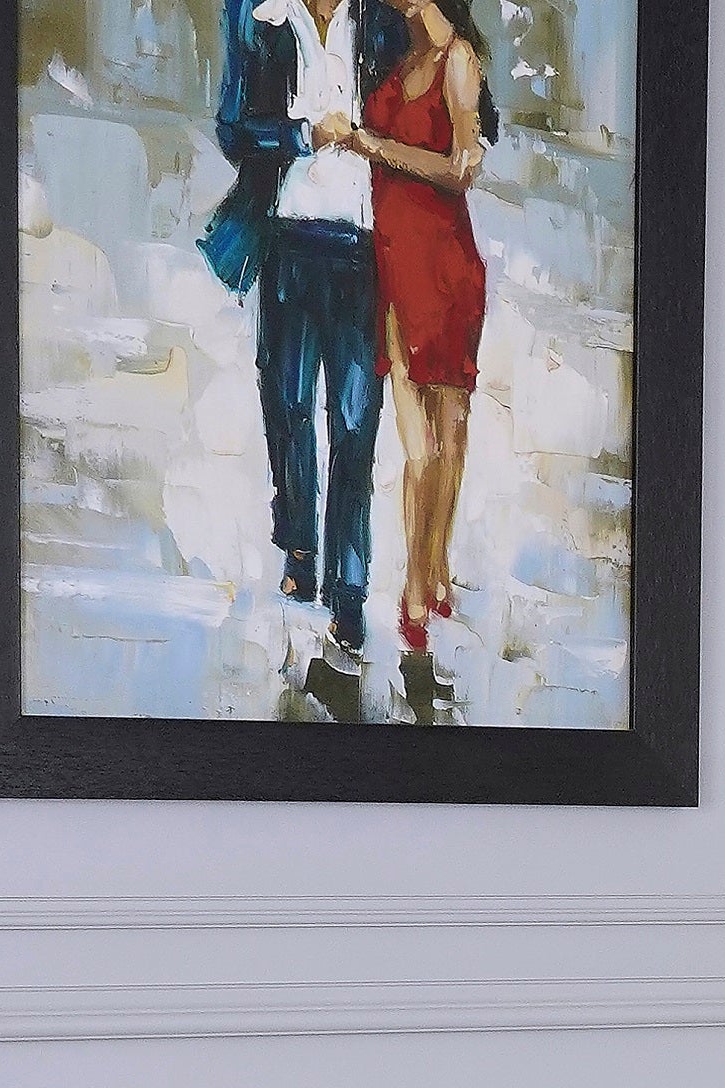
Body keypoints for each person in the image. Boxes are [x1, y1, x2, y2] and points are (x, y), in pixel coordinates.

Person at [207, 0, 404, 668]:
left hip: (362, 248)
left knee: (355, 420)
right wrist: (301, 137)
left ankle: (349, 593)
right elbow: (233, 130)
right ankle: (299, 543)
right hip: (288, 239)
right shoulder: (259, 15)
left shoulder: (379, 21)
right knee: (289, 407)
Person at [344, 1, 495, 663]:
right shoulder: (398, 61)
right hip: (393, 264)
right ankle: (423, 577)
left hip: (444, 265)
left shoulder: (457, 58)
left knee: (446, 435)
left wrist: (375, 147)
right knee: (424, 441)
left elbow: (464, 167)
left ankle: (423, 579)